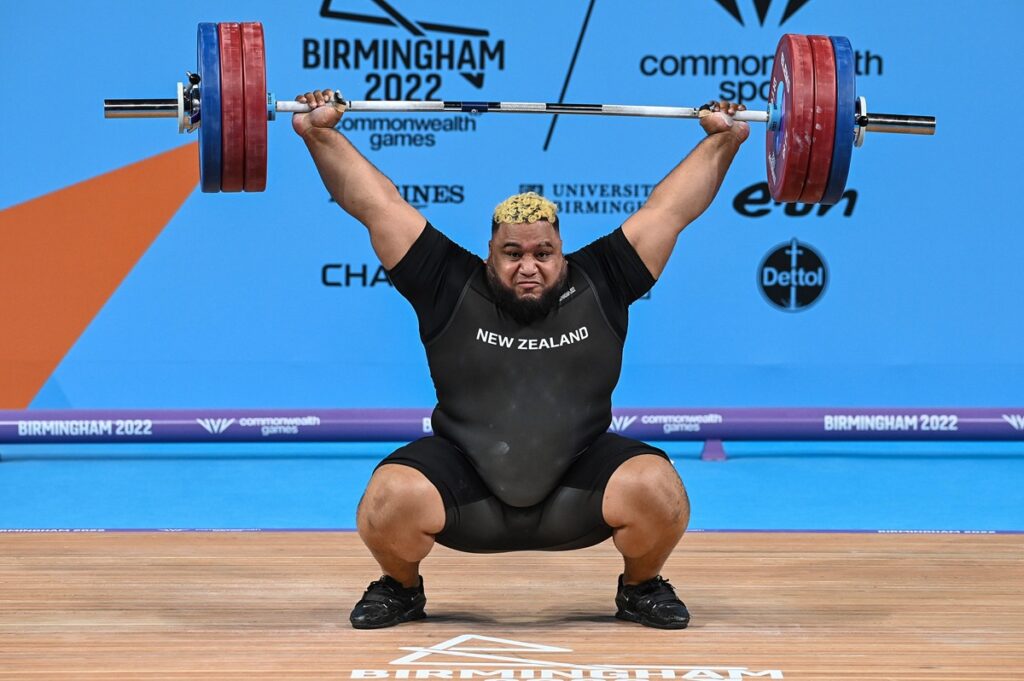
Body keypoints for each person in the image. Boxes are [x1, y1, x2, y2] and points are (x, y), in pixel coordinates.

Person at [292, 90, 749, 630]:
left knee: (659, 488)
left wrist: (726, 140)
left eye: (542, 253)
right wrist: (318, 133)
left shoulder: (603, 278)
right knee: (388, 497)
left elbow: (670, 209)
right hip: (467, 489)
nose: (527, 266)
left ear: (562, 251)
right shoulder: (447, 282)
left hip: (578, 488)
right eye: (512, 254)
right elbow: (376, 204)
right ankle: (401, 588)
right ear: (491, 252)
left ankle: (640, 586)